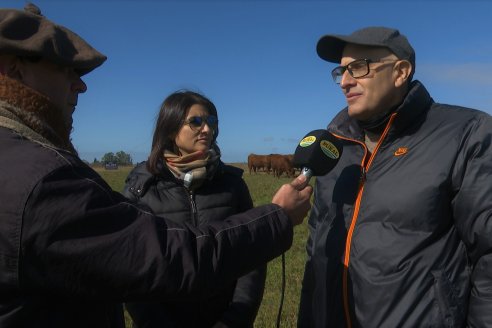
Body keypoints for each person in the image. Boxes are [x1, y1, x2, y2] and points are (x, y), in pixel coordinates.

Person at [0, 4, 313, 327]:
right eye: (67, 70)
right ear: (15, 70)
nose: (81, 85)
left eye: (212, 121)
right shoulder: (39, 181)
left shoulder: (24, 161)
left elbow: (244, 274)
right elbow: (161, 257)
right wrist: (277, 217)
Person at [297, 26, 492, 328]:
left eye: (359, 68)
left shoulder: (467, 133)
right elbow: (316, 252)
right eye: (341, 71)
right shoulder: (334, 146)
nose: (345, 81)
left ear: (401, 72)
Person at [122, 91, 266, 328]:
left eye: (211, 122)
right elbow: (130, 267)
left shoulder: (233, 185)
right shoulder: (141, 189)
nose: (207, 129)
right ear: (170, 128)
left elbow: (250, 256)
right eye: (196, 122)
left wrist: (235, 319)